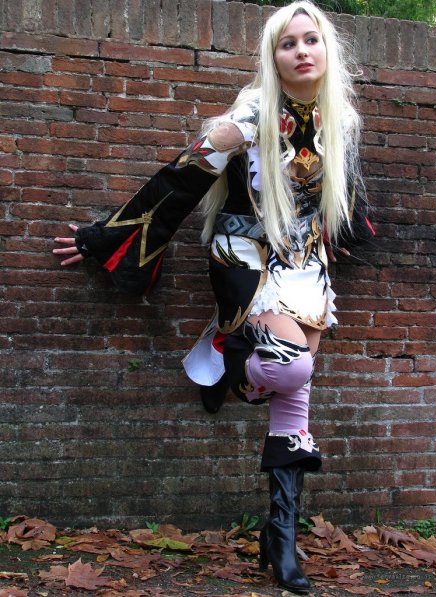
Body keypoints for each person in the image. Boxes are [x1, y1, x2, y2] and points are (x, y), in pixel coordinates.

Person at [54, 1, 374, 593]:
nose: (301, 51)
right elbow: (179, 182)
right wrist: (105, 239)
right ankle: (228, 359)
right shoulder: (248, 115)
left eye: (311, 40)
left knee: (293, 397)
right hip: (244, 255)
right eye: (287, 43)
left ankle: (280, 539)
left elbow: (342, 193)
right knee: (291, 367)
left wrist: (345, 233)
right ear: (272, 57)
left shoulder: (343, 120)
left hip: (305, 260)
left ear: (328, 50)